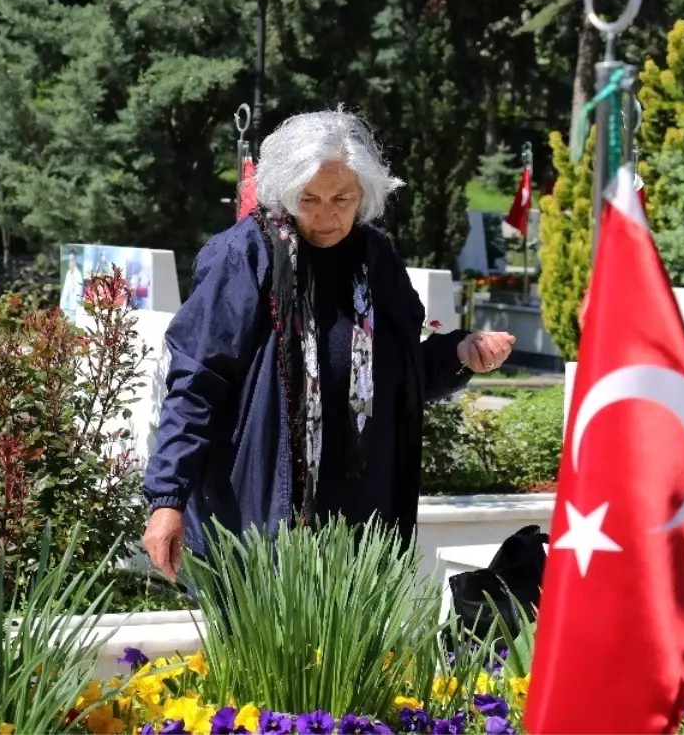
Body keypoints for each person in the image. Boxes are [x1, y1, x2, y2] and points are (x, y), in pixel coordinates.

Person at [141, 110, 515, 580]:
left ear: (365, 194)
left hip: (359, 517)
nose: (325, 215)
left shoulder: (375, 258)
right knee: (262, 651)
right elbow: (197, 381)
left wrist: (459, 354)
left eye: (342, 198)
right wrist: (168, 497)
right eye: (309, 198)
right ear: (284, 192)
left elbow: (399, 377)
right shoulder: (245, 255)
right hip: (261, 509)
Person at [60, 249, 84, 319]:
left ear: (75, 261)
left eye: (72, 260)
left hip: (76, 309)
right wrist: (61, 306)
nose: (71, 262)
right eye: (69, 260)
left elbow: (79, 294)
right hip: (69, 308)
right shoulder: (68, 273)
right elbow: (65, 291)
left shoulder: (78, 275)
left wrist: (75, 309)